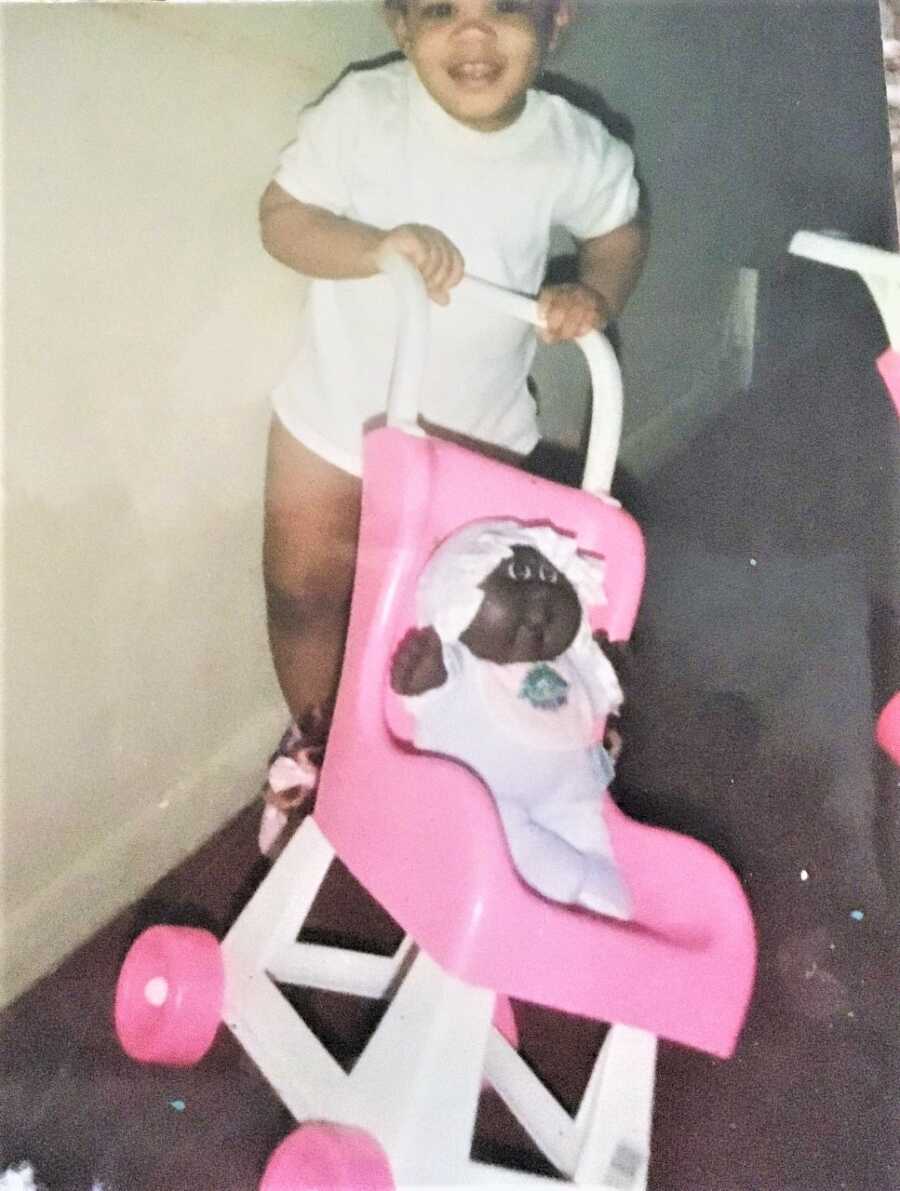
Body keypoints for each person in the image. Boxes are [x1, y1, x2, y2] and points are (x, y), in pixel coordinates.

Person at [257, 0, 648, 853]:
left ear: (559, 18)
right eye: (441, 9)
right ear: (399, 24)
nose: (472, 35)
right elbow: (281, 219)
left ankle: (458, 752)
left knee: (457, 619)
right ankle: (321, 736)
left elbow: (618, 233)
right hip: (332, 420)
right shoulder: (364, 113)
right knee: (304, 592)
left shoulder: (570, 143)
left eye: (505, 7)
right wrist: (374, 247)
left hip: (474, 441)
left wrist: (594, 294)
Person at [390, 519, 631, 917]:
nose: (539, 598)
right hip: (493, 801)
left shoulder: (570, 659)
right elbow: (435, 693)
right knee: (498, 826)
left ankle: (599, 878)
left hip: (572, 798)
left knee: (588, 824)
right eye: (518, 574)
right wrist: (427, 673)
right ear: (459, 601)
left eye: (550, 577)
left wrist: (612, 670)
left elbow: (596, 694)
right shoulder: (468, 662)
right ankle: (540, 878)